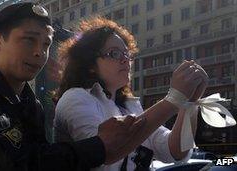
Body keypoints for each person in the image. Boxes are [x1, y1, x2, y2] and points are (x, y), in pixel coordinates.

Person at [0, 3, 151, 171]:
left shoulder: (30, 103)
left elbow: (42, 156)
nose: (40, 52)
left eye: (46, 44)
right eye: (29, 40)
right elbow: (20, 164)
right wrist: (100, 145)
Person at [53, 17, 208, 171]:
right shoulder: (75, 97)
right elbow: (104, 157)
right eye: (114, 53)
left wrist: (190, 102)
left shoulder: (129, 106)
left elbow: (176, 151)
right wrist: (174, 99)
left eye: (127, 54)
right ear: (90, 64)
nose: (125, 60)